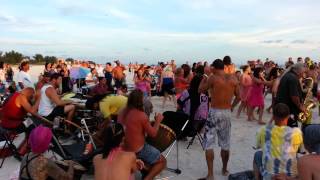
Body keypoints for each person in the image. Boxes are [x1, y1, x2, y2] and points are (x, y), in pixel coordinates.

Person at [198, 59, 240, 179]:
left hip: (214, 111)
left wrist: (204, 78)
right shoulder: (233, 78)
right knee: (225, 143)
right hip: (226, 112)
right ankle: (224, 169)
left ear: (215, 68)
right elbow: (239, 96)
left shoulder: (213, 78)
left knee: (209, 144)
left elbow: (200, 90)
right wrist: (232, 107)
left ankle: (210, 174)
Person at [118, 89, 166, 180]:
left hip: (122, 147)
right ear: (140, 101)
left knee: (149, 161)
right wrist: (158, 121)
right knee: (162, 161)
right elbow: (153, 134)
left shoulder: (122, 111)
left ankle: (144, 171)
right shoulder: (141, 115)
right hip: (137, 150)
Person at [253, 103, 303, 180]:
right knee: (296, 156)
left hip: (270, 176)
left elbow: (256, 146)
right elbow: (302, 150)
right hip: (290, 175)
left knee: (257, 154)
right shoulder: (296, 132)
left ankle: (256, 178)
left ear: (273, 116)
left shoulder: (263, 130)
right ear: (288, 116)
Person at [0, 87, 40, 157]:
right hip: (11, 126)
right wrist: (39, 98)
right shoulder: (21, 97)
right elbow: (33, 111)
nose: (31, 98)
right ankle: (22, 151)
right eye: (31, 96)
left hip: (3, 124)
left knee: (29, 122)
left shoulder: (13, 94)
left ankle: (25, 145)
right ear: (29, 93)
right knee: (33, 125)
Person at [275, 63, 306, 127]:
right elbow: (294, 96)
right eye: (303, 72)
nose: (303, 75)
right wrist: (300, 106)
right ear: (299, 70)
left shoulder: (287, 75)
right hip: (288, 109)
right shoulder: (293, 78)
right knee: (291, 130)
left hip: (282, 108)